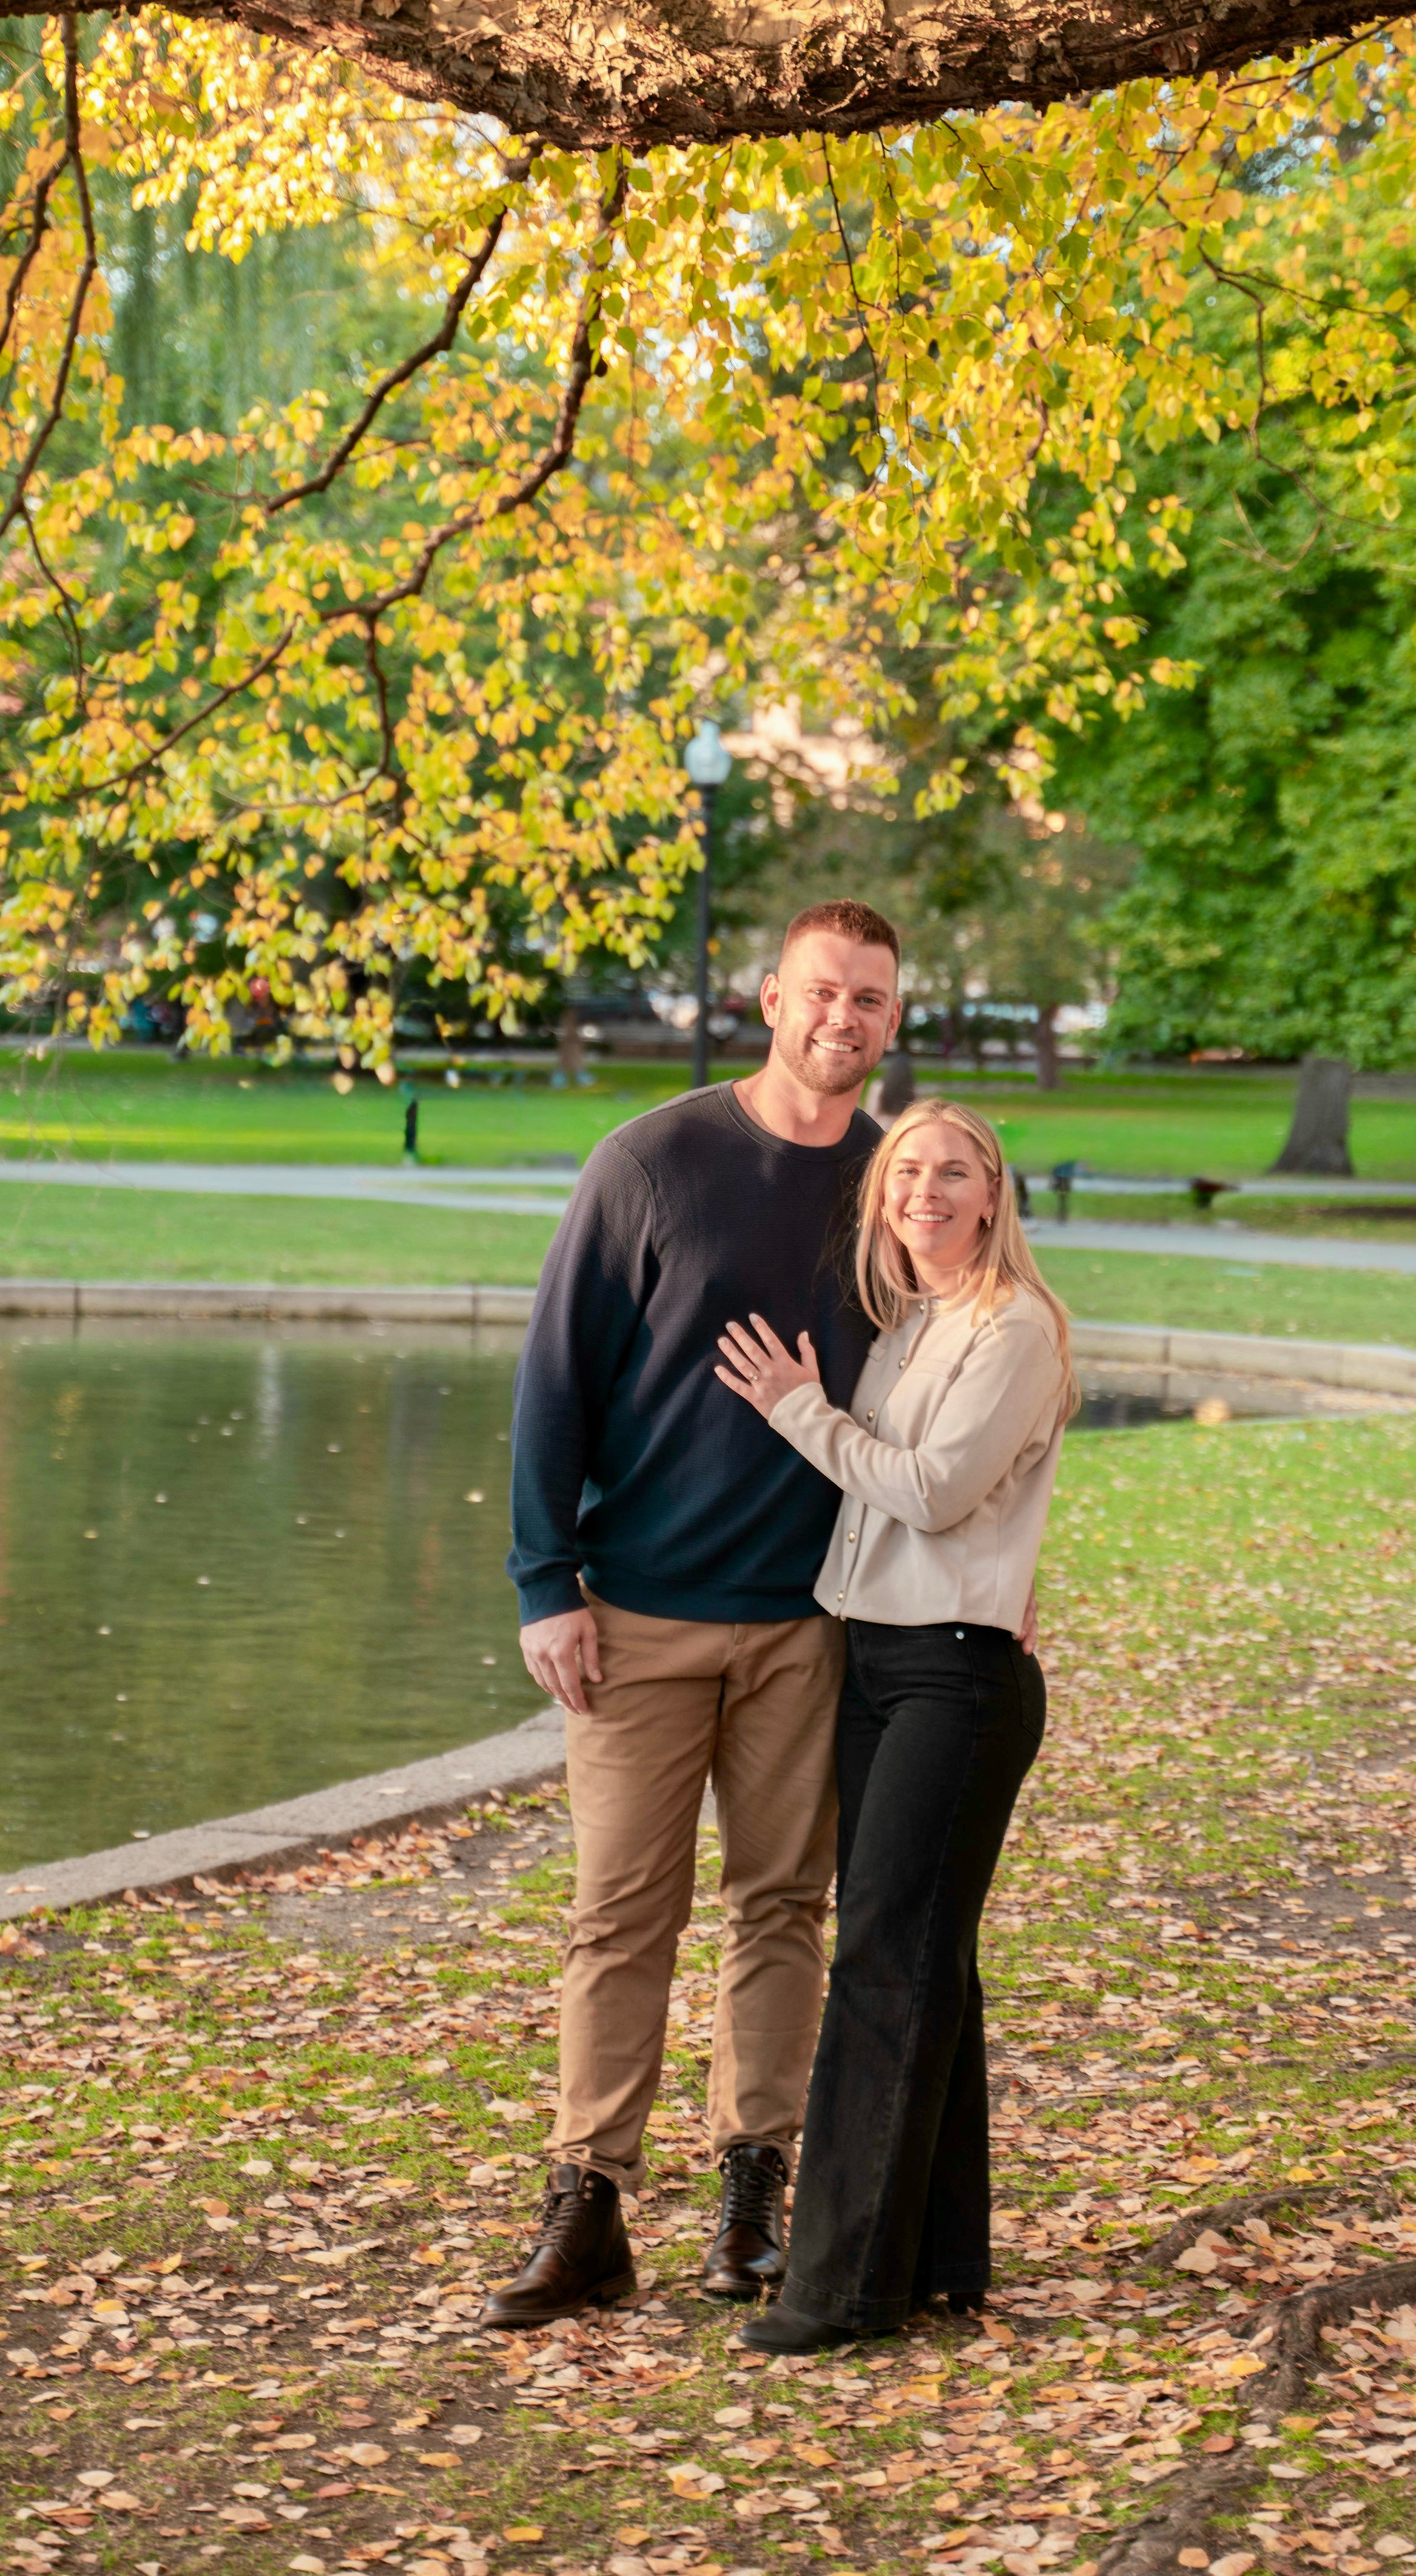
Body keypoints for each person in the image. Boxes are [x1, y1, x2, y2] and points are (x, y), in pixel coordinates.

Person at [483, 898, 903, 2329]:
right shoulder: (653, 1161)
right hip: (640, 1615)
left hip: (810, 1621)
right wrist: (548, 1580)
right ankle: (587, 2204)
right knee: (620, 1916)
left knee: (782, 1906)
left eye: (870, 1002)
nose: (841, 1019)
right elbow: (556, 1377)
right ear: (770, 998)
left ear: (891, 1024)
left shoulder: (894, 1189)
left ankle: (750, 2199)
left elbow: (947, 1389)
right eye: (822, 992)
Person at [712, 1098, 1074, 2350]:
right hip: (877, 1662)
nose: (927, 1189)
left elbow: (932, 1491)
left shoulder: (1016, 1326)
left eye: (954, 1171)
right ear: (883, 1199)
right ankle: (938, 2257)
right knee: (930, 1962)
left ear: (992, 1195)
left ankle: (839, 2287)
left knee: (877, 1955)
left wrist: (798, 1412)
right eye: (906, 1170)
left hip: (957, 1683)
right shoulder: (911, 1321)